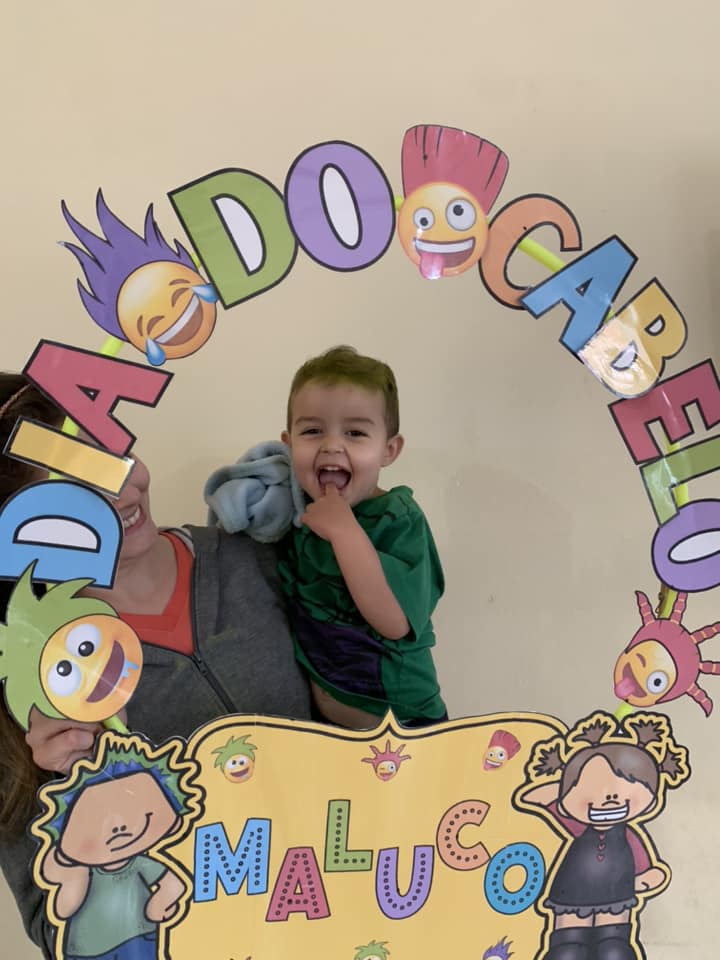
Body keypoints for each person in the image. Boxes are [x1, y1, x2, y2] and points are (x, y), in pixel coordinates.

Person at [0, 372, 311, 959]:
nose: (118, 494)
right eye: (73, 490)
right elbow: (60, 933)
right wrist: (81, 803)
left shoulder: (260, 560)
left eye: (111, 455)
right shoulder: (29, 693)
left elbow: (381, 720)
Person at [278, 345, 447, 728]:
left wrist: (345, 532)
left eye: (355, 433)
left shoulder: (398, 519)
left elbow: (394, 621)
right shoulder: (296, 513)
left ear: (388, 450)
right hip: (324, 725)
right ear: (288, 445)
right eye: (312, 431)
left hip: (404, 725)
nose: (331, 445)